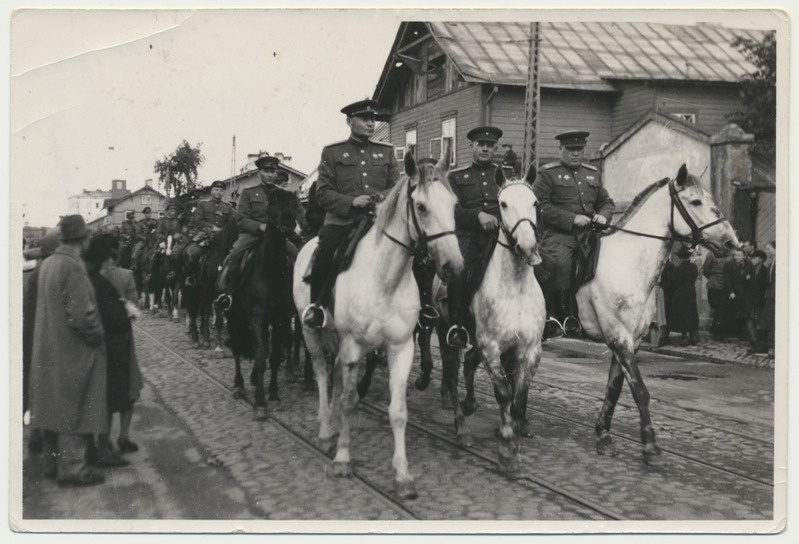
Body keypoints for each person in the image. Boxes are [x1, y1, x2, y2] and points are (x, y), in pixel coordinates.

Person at [301, 98, 400, 328]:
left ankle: (418, 308)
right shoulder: (333, 152)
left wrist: (380, 199)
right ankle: (318, 307)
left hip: (378, 220)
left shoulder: (386, 151)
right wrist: (351, 201)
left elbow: (397, 187)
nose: (370, 123)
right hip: (342, 221)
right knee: (324, 253)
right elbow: (323, 193)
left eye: (372, 119)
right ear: (349, 121)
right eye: (364, 119)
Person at [29, 215, 108, 487]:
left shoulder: (49, 262)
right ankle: (73, 469)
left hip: (48, 347)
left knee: (51, 405)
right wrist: (98, 335)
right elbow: (82, 315)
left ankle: (52, 464)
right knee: (74, 404)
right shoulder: (73, 266)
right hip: (72, 349)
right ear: (84, 240)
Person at [533, 130, 615, 337]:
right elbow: (539, 206)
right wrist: (571, 219)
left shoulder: (592, 173)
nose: (575, 154)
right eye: (570, 149)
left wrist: (604, 216)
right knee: (559, 263)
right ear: (560, 149)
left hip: (590, 234)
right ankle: (557, 315)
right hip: (559, 235)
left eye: (579, 149)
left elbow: (606, 202)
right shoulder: (547, 173)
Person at [443, 126, 505, 348]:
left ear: (496, 148)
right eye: (481, 145)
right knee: (459, 273)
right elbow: (452, 209)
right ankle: (458, 326)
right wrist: (477, 215)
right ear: (472, 147)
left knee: (535, 263)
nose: (486, 149)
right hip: (469, 235)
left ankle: (543, 320)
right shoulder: (457, 177)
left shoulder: (507, 175)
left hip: (501, 235)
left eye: (490, 145)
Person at [84, 234, 136, 468]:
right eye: (110, 257)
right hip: (111, 347)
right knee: (108, 397)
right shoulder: (101, 283)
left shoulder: (94, 279)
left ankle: (102, 446)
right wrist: (125, 310)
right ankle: (103, 448)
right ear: (106, 259)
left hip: (108, 346)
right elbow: (113, 318)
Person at [216, 156, 291, 309]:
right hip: (252, 234)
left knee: (297, 254)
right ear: (259, 173)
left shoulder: (283, 195)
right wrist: (259, 227)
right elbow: (241, 219)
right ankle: (227, 293)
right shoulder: (248, 193)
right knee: (235, 254)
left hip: (276, 236)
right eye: (266, 171)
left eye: (273, 171)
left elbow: (292, 214)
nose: (270, 174)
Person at [23, 228, 61, 455]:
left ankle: (36, 433)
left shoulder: (37, 270)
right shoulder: (48, 272)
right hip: (44, 334)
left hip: (31, 332)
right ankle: (45, 440)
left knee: (33, 382)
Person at [663, 246, 700, 346]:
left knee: (683, 314)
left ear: (680, 258)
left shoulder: (678, 269)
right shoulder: (694, 267)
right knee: (691, 313)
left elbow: (673, 282)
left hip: (679, 293)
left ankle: (684, 336)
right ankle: (693, 337)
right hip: (691, 292)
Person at [702, 249, 730, 339]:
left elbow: (706, 270)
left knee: (719, 308)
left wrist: (712, 277)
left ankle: (718, 330)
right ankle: (718, 330)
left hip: (721, 285)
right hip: (718, 285)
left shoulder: (711, 254)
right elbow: (705, 270)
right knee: (719, 307)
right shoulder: (712, 254)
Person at [745, 249, 769, 353]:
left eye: (755, 258)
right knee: (749, 320)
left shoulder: (765, 270)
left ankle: (759, 344)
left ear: (761, 259)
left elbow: (764, 286)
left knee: (758, 321)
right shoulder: (751, 269)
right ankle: (754, 341)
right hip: (750, 300)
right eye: (752, 258)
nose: (752, 260)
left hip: (760, 300)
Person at [722, 247, 749, 339]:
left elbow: (750, 278)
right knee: (729, 312)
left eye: (739, 255)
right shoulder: (729, 265)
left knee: (741, 313)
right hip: (732, 292)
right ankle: (726, 333)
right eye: (735, 255)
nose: (737, 257)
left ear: (744, 256)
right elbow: (726, 280)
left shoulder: (748, 265)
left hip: (743, 292)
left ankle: (739, 332)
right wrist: (730, 291)